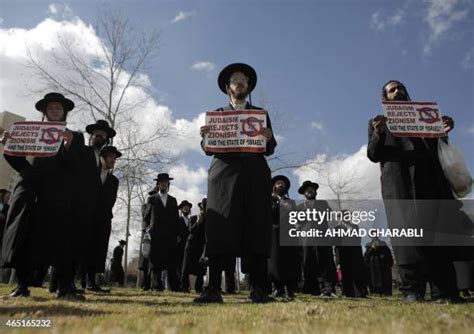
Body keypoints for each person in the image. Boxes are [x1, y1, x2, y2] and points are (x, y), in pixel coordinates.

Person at [367, 80, 470, 303]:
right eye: (392, 90)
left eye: (401, 88)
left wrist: (443, 131)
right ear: (386, 98)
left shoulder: (424, 117)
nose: (398, 91)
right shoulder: (378, 122)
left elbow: (436, 149)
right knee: (407, 237)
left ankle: (444, 291)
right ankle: (411, 290)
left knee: (436, 235)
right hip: (400, 184)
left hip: (429, 182)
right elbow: (373, 154)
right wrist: (377, 132)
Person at [196, 63, 277, 303]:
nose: (240, 82)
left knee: (256, 228)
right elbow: (207, 149)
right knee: (219, 230)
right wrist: (205, 137)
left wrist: (268, 139)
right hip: (223, 178)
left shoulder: (260, 114)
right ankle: (213, 289)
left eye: (243, 79)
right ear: (228, 87)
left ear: (248, 86)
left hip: (254, 177)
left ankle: (259, 289)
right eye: (235, 80)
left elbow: (270, 148)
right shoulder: (217, 115)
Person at [1, 92, 85, 300]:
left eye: (58, 107)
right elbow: (21, 165)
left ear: (64, 111)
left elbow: (77, 168)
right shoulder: (30, 133)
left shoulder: (75, 136)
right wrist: (8, 147)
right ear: (44, 112)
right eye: (50, 108)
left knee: (61, 239)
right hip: (29, 190)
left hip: (57, 195)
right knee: (23, 236)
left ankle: (65, 287)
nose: (54, 111)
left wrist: (68, 146)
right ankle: (21, 286)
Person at [79, 120, 117, 292]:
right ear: (102, 157)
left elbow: (110, 200)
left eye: (114, 159)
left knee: (97, 251)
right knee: (81, 248)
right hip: (85, 215)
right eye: (110, 157)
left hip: (102, 219)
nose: (112, 161)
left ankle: (91, 282)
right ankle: (72, 281)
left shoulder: (114, 180)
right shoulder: (89, 169)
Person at [297, 180, 338, 297]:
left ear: (315, 192)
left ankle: (328, 288)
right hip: (306, 239)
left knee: (324, 262)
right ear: (304, 193)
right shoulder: (299, 207)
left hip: (322, 237)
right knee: (308, 262)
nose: (309, 191)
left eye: (311, 189)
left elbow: (329, 216)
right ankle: (311, 289)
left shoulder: (323, 203)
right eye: (306, 190)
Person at [143, 173, 181, 292]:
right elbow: (146, 217)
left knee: (171, 262)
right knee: (155, 262)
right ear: (158, 184)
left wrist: (178, 234)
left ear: (168, 184)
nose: (164, 184)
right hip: (156, 235)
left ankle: (173, 287)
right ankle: (156, 286)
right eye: (161, 182)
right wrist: (146, 230)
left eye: (166, 182)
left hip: (170, 235)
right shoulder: (152, 199)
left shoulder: (173, 200)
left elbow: (176, 219)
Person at [267, 175, 301, 300]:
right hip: (274, 232)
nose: (281, 185)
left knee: (290, 261)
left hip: (289, 233)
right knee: (275, 261)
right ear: (274, 187)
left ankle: (290, 289)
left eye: (283, 184)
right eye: (278, 183)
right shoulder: (268, 199)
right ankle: (278, 288)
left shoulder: (290, 202)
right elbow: (269, 213)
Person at [181, 199, 207, 293]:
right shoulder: (193, 218)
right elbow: (191, 230)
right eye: (201, 209)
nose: (202, 210)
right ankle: (184, 287)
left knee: (200, 268)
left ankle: (199, 288)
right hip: (191, 245)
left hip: (200, 247)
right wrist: (198, 221)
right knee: (186, 267)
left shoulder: (208, 221)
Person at [177, 200, 192, 290]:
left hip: (189, 247)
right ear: (181, 209)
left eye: (188, 207)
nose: (186, 208)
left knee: (187, 266)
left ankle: (186, 286)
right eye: (184, 207)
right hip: (179, 246)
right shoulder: (178, 220)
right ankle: (180, 285)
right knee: (179, 266)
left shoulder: (191, 220)